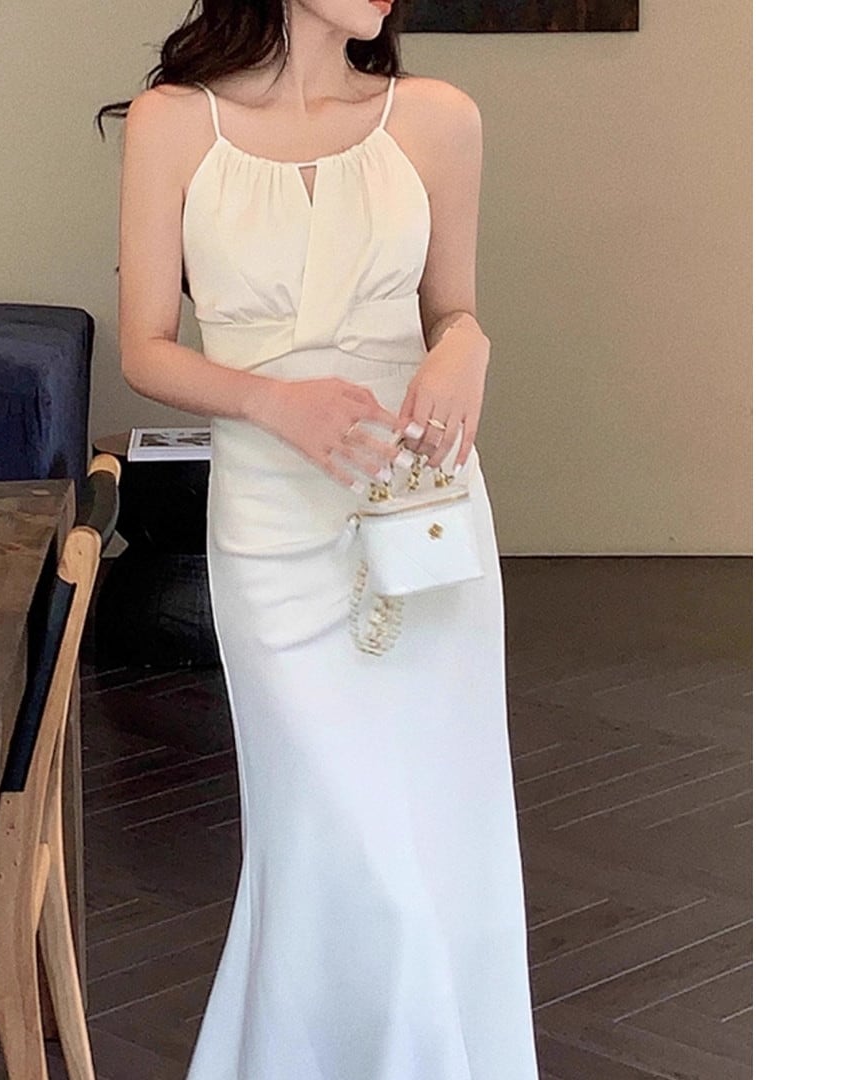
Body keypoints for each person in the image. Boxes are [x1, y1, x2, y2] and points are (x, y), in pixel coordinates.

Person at [101, 1, 540, 1076]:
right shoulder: (174, 123)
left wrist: (469, 346)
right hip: (270, 519)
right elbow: (146, 347)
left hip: (419, 501)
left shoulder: (437, 118)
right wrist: (270, 402)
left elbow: (453, 310)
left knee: (439, 824)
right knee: (331, 831)